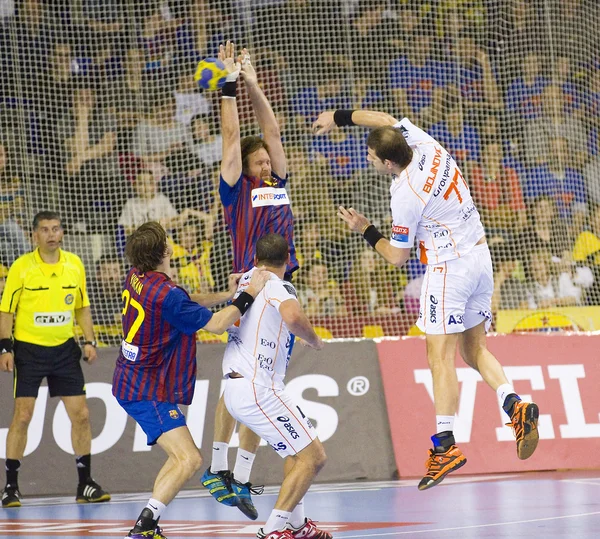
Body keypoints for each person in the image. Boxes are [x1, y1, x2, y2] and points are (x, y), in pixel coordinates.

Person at [312, 108, 540, 490]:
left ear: (388, 162)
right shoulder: (426, 144)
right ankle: (514, 404)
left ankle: (445, 446)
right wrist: (340, 117)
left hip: (448, 269)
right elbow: (384, 117)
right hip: (481, 256)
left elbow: (397, 256)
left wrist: (364, 227)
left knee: (439, 357)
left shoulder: (404, 194)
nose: (368, 160)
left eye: (371, 158)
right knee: (474, 350)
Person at [113, 221, 269, 539]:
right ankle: (143, 528)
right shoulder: (166, 294)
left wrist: (227, 294)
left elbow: (184, 301)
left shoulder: (140, 277)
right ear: (166, 251)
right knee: (190, 459)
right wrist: (249, 293)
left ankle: (148, 524)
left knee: (179, 458)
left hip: (134, 377)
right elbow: (216, 325)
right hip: (145, 387)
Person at [201, 42, 299, 519]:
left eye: (265, 161)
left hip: (283, 286)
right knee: (244, 382)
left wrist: (254, 81)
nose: (264, 165)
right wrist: (228, 85)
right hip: (253, 286)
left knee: (263, 383)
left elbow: (271, 130)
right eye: (257, 161)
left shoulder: (277, 184)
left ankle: (237, 475)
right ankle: (220, 467)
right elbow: (233, 133)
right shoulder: (236, 191)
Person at [221, 233, 329, 539]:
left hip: (234, 387)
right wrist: (314, 340)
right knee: (314, 457)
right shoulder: (278, 285)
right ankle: (273, 531)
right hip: (259, 389)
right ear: (288, 262)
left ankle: (298, 525)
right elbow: (293, 316)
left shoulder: (245, 282)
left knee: (297, 455)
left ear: (255, 260)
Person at [0, 211, 110, 507]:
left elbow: (82, 307)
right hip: (29, 351)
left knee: (82, 415)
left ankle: (85, 484)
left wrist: (89, 341)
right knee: (23, 416)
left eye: (56, 229)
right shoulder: (22, 268)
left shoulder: (74, 264)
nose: (51, 234)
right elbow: (7, 311)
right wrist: (4, 347)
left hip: (64, 350)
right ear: (35, 235)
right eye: (45, 230)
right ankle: (11, 487)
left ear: (62, 232)